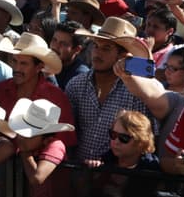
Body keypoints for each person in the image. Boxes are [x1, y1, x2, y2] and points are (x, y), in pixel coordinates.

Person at [65, 17, 153, 166]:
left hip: (116, 176)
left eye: (106, 48)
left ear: (122, 56)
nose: (97, 53)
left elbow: (142, 140)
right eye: (96, 46)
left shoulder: (135, 92)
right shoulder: (76, 85)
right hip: (77, 172)